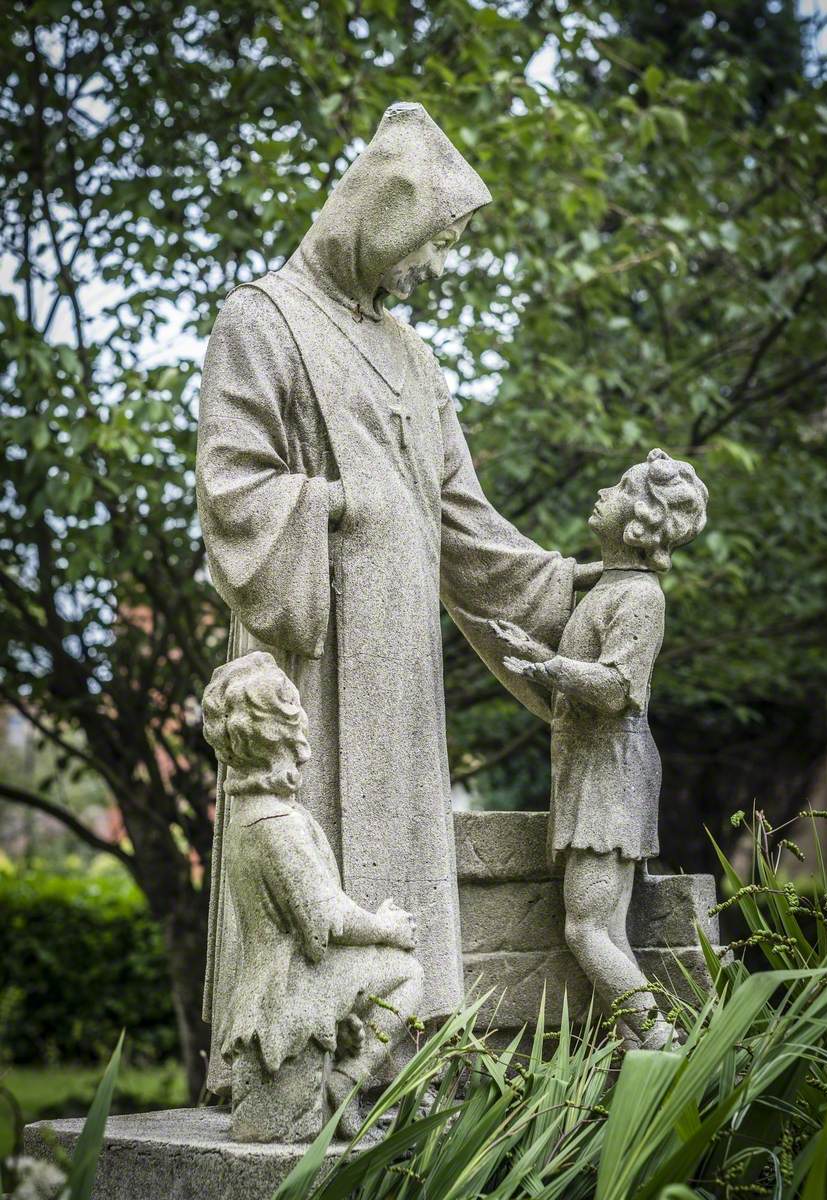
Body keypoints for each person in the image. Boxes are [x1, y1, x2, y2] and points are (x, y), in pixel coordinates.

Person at [197, 101, 600, 1091]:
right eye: (432, 241)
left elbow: (460, 521)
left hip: (402, 668)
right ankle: (302, 1062)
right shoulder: (264, 320)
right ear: (381, 218)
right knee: (315, 849)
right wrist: (337, 502)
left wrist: (561, 595)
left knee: (402, 854)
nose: (434, 265)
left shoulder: (415, 357)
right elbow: (233, 488)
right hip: (312, 656)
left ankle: (407, 1052)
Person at [493, 449, 708, 1047]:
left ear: (640, 520)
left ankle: (659, 1036)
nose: (604, 493)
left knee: (586, 928)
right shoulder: (613, 584)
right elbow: (584, 585)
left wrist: (548, 665)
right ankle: (642, 1043)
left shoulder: (640, 598)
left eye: (619, 487)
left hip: (609, 770)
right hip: (596, 766)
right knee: (604, 927)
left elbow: (617, 688)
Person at [202, 651, 423, 1140]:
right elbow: (324, 922)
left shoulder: (248, 812)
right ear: (281, 731)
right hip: (290, 985)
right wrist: (385, 925)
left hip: (269, 979)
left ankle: (342, 1060)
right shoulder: (276, 825)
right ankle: (348, 1078)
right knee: (408, 973)